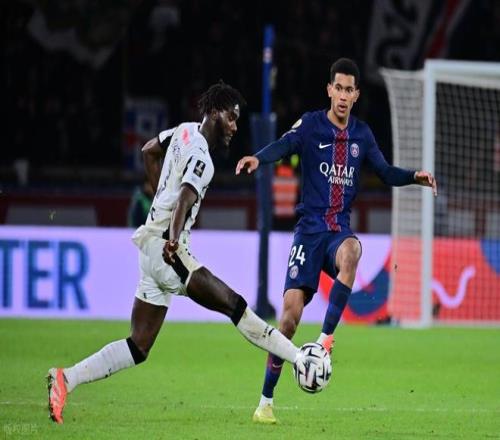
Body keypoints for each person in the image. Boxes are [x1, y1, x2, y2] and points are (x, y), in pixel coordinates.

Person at [47, 81, 300, 424]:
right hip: (168, 251)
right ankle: (301, 359)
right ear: (214, 113)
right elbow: (184, 197)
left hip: (150, 247)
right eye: (231, 118)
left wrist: (158, 201)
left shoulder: (183, 131)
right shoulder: (203, 158)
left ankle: (66, 379)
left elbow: (149, 150)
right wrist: (173, 238)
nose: (234, 127)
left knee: (139, 345)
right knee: (234, 305)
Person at [235, 58, 437, 424]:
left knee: (353, 251)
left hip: (336, 233)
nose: (343, 96)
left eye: (349, 90)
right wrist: (258, 159)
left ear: (356, 95)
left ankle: (325, 340)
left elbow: (385, 172)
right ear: (329, 90)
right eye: (338, 88)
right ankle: (265, 402)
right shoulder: (311, 124)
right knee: (288, 321)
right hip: (308, 233)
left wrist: (414, 177)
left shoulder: (362, 135)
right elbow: (283, 145)